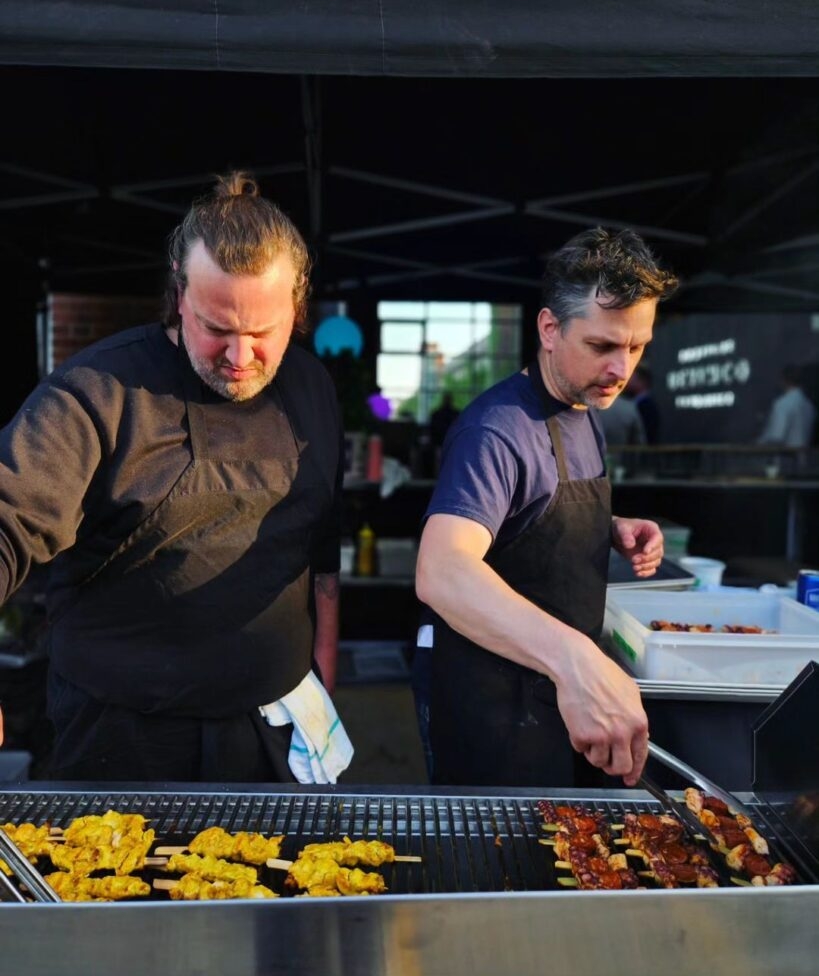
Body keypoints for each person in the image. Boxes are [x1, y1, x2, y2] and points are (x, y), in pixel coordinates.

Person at [0, 171, 352, 784]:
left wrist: (320, 664)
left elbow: (319, 549)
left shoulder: (313, 388)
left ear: (297, 307)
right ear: (179, 295)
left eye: (261, 333)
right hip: (121, 738)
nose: (239, 358)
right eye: (215, 328)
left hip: (272, 732)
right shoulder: (95, 395)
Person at [415, 227, 678, 789]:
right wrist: (575, 659)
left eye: (636, 347)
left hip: (556, 697)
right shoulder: (496, 430)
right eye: (602, 346)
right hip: (498, 706)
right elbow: (442, 570)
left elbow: (527, 514)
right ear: (550, 329)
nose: (621, 368)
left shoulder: (585, 409)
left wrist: (607, 528)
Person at [757, 364, 817, 449]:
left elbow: (776, 437)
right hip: (804, 458)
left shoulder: (782, 404)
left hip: (784, 459)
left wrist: (758, 444)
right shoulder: (809, 405)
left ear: (783, 380)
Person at [625, 364, 661, 444]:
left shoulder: (647, 406)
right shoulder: (636, 403)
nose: (627, 380)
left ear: (642, 381)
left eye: (632, 377)